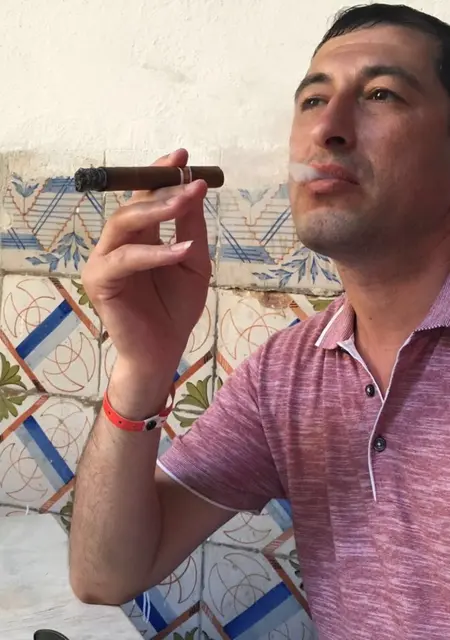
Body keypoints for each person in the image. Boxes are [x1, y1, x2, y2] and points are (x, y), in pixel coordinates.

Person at [69, 3, 450, 638]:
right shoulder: (287, 374)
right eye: (312, 101)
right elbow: (105, 575)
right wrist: (141, 369)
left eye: (381, 94)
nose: (327, 128)